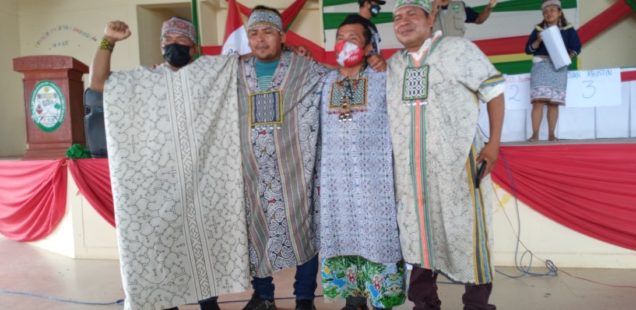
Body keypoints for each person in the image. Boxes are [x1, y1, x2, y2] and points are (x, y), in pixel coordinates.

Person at [95, 17, 250, 310]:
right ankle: (167, 302)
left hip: (201, 183)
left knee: (205, 241)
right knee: (163, 248)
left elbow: (248, 60)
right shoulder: (144, 80)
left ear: (194, 48)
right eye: (168, 41)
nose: (174, 45)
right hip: (159, 189)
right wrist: (109, 41)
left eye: (182, 41)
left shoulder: (210, 72)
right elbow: (99, 82)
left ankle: (209, 301)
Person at [387, 0, 505, 309]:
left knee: (467, 233)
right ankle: (425, 302)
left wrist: (493, 144)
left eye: (412, 13)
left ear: (431, 19)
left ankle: (477, 304)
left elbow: (493, 91)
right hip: (413, 175)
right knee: (419, 235)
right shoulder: (394, 65)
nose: (403, 21)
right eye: (397, 17)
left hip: (458, 167)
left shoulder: (457, 49)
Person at [237, 6, 329, 310]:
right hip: (250, 174)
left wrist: (372, 63)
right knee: (254, 234)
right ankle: (263, 295)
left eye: (267, 32)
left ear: (281, 36)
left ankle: (304, 297)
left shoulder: (306, 69)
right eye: (253, 33)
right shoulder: (234, 73)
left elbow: (341, 81)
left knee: (304, 230)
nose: (260, 39)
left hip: (295, 171)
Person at [318, 14, 405, 310]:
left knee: (376, 243)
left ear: (370, 47)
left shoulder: (386, 78)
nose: (343, 43)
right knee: (342, 238)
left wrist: (383, 63)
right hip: (337, 189)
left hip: (375, 188)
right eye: (340, 37)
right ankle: (353, 302)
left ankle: (381, 300)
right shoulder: (325, 81)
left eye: (353, 38)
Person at [525, 0, 581, 142]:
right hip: (541, 65)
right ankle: (535, 135)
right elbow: (528, 50)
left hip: (559, 67)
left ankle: (551, 135)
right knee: (538, 101)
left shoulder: (568, 29)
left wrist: (568, 56)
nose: (549, 13)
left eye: (552, 10)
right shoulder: (538, 30)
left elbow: (576, 47)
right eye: (546, 11)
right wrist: (538, 40)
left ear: (560, 13)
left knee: (553, 102)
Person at [432, 0, 497, 37]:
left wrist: (489, 7)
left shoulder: (460, 5)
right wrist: (434, 9)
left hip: (457, 51)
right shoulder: (427, 7)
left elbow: (479, 19)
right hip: (436, 53)